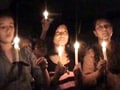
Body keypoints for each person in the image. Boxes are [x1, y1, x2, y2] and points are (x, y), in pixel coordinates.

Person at [0, 10, 50, 90]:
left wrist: (44, 69)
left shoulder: (25, 52)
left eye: (11, 26)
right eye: (3, 27)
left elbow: (45, 84)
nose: (8, 30)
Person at [82, 18, 120, 90]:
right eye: (99, 27)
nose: (104, 29)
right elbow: (85, 81)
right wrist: (99, 72)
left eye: (107, 25)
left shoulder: (118, 48)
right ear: (95, 33)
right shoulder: (91, 52)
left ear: (112, 30)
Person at [45, 24, 82, 90]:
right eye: (57, 32)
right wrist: (57, 75)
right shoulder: (45, 61)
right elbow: (47, 86)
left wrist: (79, 76)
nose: (62, 35)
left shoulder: (75, 57)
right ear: (52, 36)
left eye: (65, 32)